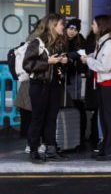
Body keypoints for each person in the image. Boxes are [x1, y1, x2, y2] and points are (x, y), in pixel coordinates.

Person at [22, 14, 69, 163]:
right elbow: (27, 65)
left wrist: (63, 61)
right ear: (53, 25)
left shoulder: (60, 42)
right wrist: (47, 61)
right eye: (62, 24)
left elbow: (57, 66)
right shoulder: (37, 42)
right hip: (39, 85)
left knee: (51, 118)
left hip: (54, 85)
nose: (64, 27)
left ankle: (51, 149)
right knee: (38, 118)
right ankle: (34, 150)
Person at [80, 15, 111, 161]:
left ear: (101, 26)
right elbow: (99, 58)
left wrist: (88, 61)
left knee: (110, 117)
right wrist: (88, 57)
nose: (92, 27)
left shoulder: (110, 43)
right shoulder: (103, 42)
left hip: (110, 84)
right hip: (104, 84)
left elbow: (104, 66)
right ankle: (107, 147)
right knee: (105, 117)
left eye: (93, 24)